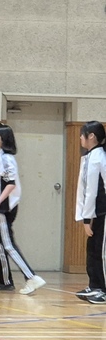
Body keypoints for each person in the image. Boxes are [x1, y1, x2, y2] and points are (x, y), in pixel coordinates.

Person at [0, 125, 46, 295]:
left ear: (3, 139)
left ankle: (31, 277)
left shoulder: (6, 159)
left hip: (4, 208)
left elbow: (10, 184)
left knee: (8, 245)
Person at [73, 121, 106, 304]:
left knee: (101, 252)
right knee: (92, 249)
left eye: (82, 134)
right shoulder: (89, 156)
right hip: (96, 212)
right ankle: (95, 286)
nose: (80, 138)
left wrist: (87, 218)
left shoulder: (98, 157)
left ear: (91, 136)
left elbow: (93, 190)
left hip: (103, 211)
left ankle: (103, 289)